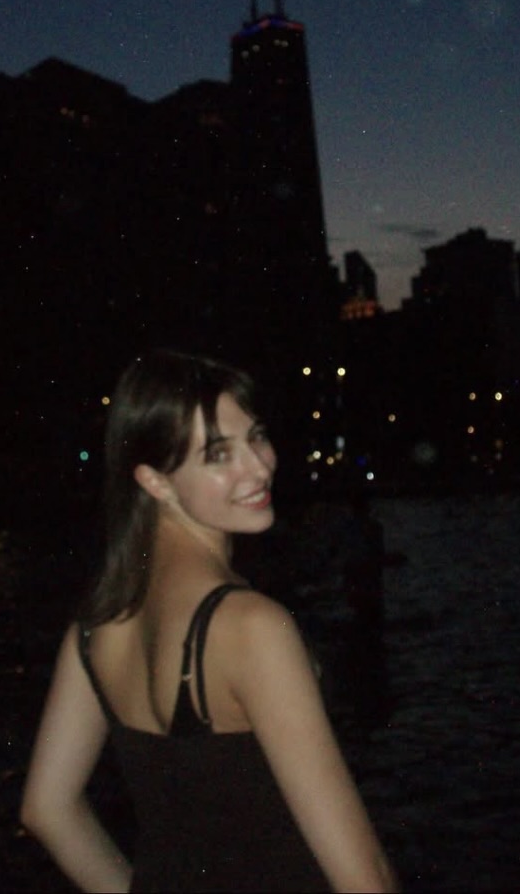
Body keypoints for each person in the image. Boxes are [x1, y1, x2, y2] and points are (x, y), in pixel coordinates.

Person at [20, 350, 399, 892]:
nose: (260, 466)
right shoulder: (251, 627)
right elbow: (366, 881)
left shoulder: (95, 624)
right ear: (155, 482)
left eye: (257, 437)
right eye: (219, 454)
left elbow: (47, 810)